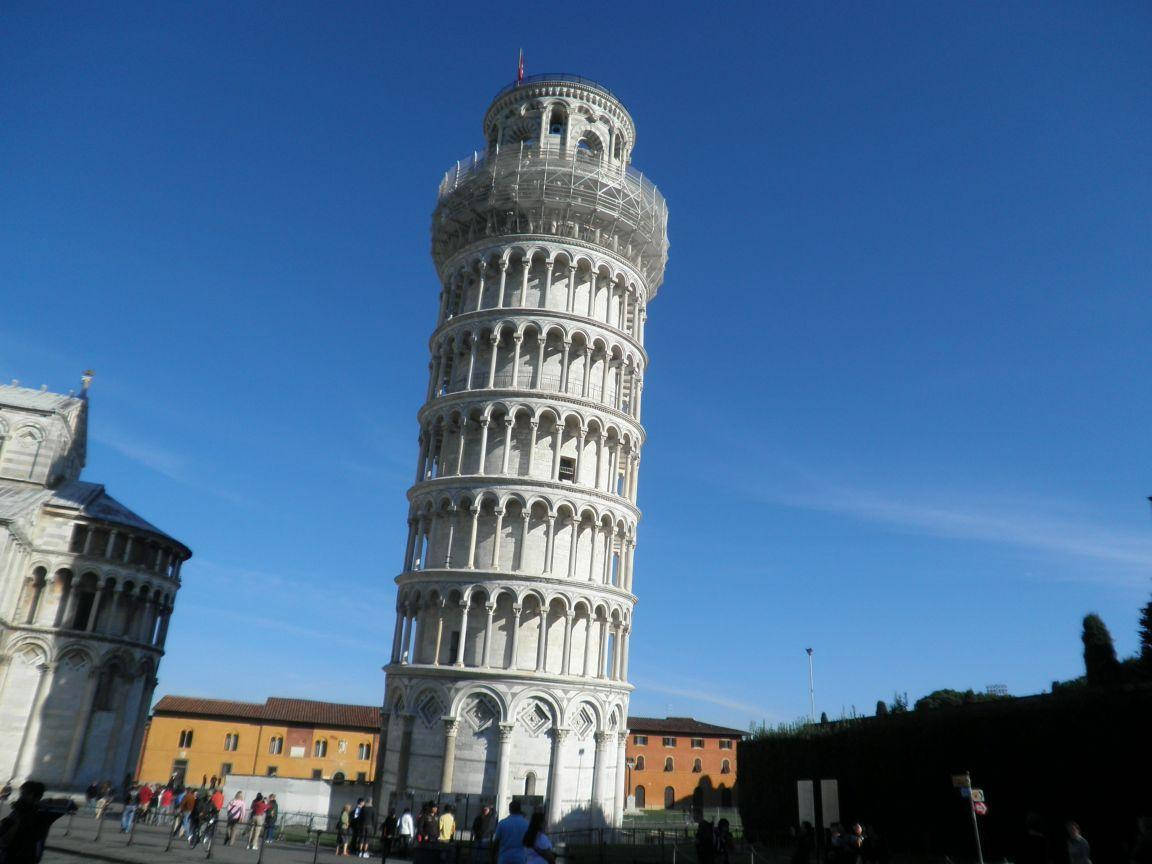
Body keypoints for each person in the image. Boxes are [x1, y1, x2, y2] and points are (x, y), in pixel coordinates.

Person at [0, 781, 77, 864]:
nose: (20, 797)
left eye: (23, 794)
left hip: (27, 855)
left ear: (32, 795)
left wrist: (38, 804)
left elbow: (71, 804)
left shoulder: (43, 812)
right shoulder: (19, 809)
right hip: (9, 853)